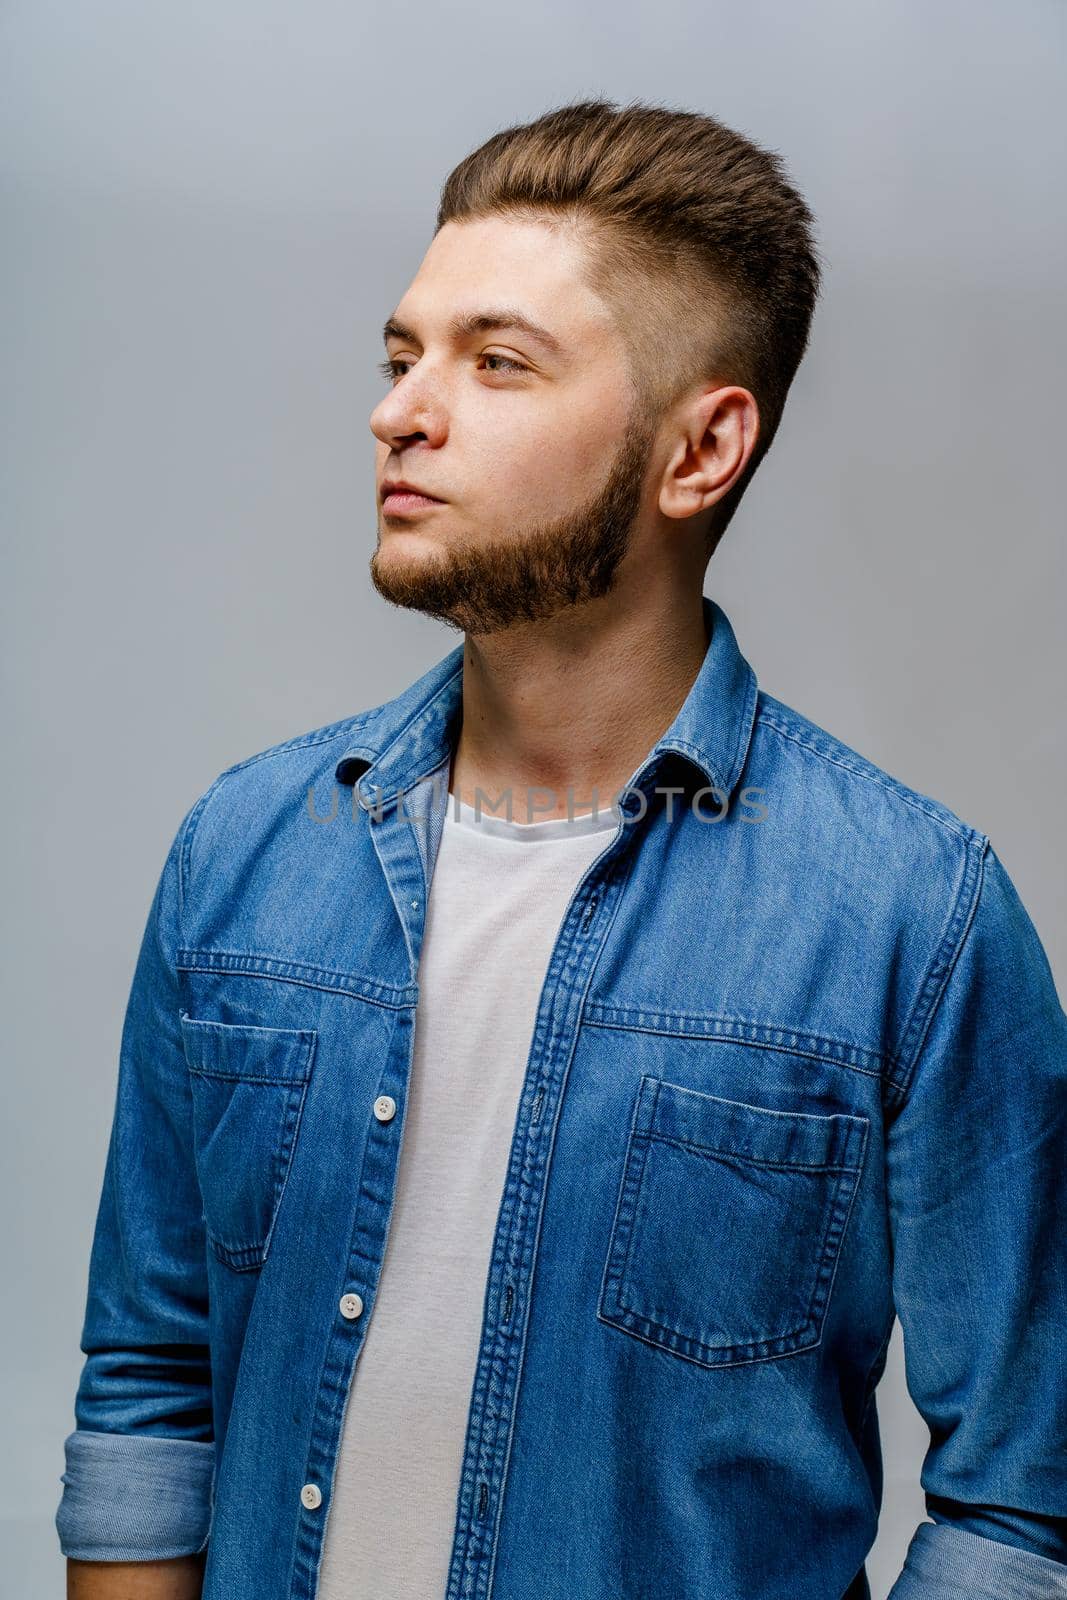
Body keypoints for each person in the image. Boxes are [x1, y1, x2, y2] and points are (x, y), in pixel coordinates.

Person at [56, 97, 1067, 1600]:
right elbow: (151, 1382)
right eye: (403, 355)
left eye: (497, 362)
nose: (402, 409)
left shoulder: (913, 919)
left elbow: (1020, 1509)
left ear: (700, 449)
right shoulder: (244, 851)